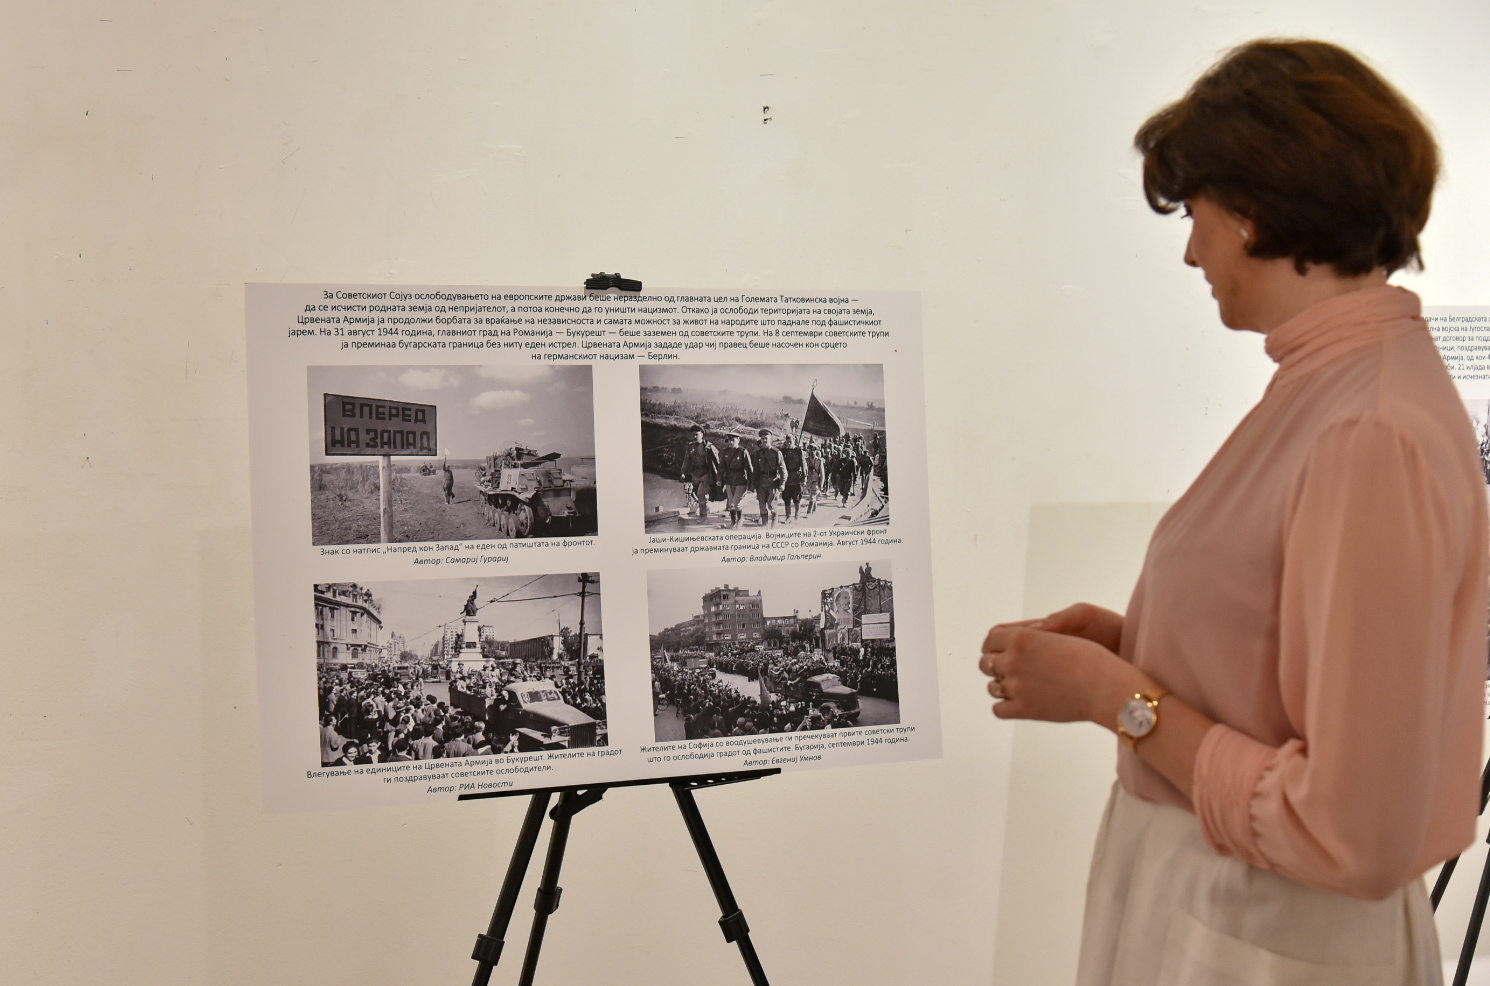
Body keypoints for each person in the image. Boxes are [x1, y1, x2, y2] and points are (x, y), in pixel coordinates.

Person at [979, 40, 1484, 985]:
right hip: (1232, 910)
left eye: (1195, 213)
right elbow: (1308, 667)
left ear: (1251, 210)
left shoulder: (1365, 428)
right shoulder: (1334, 390)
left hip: (1265, 932)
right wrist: (1143, 646)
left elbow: (1350, 829)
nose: (1191, 249)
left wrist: (1116, 699)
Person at [678, 425, 720, 521]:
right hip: (695, 475)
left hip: (706, 474)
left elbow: (717, 461)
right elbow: (686, 460)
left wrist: (719, 475)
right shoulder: (690, 447)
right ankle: (704, 507)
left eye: (696, 434)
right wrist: (683, 472)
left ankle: (703, 515)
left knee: (700, 494)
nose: (695, 437)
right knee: (696, 494)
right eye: (693, 435)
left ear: (702, 434)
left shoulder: (708, 446)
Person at [718, 433, 754, 529]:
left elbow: (749, 469)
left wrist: (751, 483)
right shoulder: (725, 452)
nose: (730, 442)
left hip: (740, 481)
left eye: (733, 440)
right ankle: (733, 522)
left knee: (736, 503)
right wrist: (719, 479)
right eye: (729, 440)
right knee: (731, 503)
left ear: (738, 440)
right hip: (729, 480)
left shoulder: (743, 452)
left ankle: (740, 520)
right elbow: (721, 466)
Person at [753, 429, 786, 528]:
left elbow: (782, 469)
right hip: (761, 483)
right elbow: (755, 470)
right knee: (762, 505)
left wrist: (782, 483)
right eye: (762, 439)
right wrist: (753, 484)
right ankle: (765, 525)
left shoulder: (776, 453)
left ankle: (774, 525)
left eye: (766, 438)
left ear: (770, 439)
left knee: (771, 505)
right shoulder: (758, 454)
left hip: (773, 482)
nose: (764, 441)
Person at [780, 434, 804, 524]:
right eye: (787, 442)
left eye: (790, 442)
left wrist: (804, 477)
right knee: (786, 497)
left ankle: (797, 514)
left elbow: (803, 465)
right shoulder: (783, 452)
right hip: (787, 478)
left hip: (796, 477)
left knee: (796, 497)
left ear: (794, 442)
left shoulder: (798, 451)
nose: (789, 443)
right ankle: (788, 516)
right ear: (785, 442)